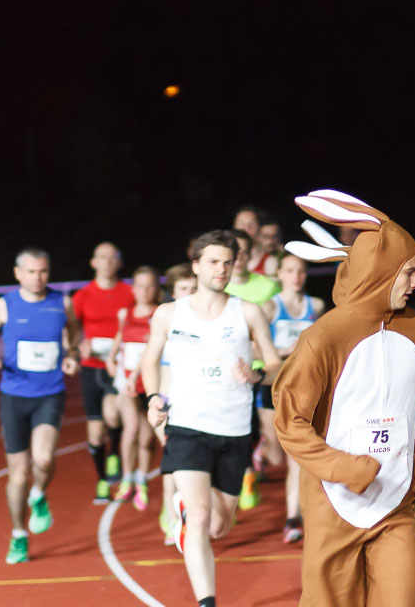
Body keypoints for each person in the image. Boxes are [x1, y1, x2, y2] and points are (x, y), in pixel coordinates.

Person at [273, 190, 415, 607]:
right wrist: (341, 467)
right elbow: (289, 422)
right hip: (335, 505)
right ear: (380, 271)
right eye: (408, 273)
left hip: (397, 504)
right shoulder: (325, 336)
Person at [141, 230, 281, 607]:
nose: (221, 269)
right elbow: (150, 359)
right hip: (187, 426)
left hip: (234, 429)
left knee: (219, 525)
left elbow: (273, 364)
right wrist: (154, 396)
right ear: (196, 266)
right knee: (201, 518)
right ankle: (207, 602)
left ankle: (188, 510)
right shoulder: (170, 313)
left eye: (228, 262)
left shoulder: (247, 312)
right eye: (214, 262)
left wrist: (254, 374)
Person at [0, 247, 80, 563]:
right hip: (14, 397)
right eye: (31, 272)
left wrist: (72, 356)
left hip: (50, 393)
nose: (37, 277)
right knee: (18, 473)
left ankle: (39, 495)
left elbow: (74, 333)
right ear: (18, 274)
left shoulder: (62, 302)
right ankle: (19, 535)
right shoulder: (5, 306)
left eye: (43, 271)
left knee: (43, 459)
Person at [258, 254, 326, 544]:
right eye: (290, 270)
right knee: (276, 455)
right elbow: (253, 349)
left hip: (305, 390)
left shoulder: (317, 306)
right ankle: (260, 449)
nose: (296, 276)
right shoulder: (270, 307)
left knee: (296, 458)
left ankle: (292, 518)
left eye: (300, 271)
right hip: (273, 388)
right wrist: (285, 350)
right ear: (280, 275)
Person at [72, 242, 135, 503]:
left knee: (114, 416)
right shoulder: (82, 295)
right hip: (92, 368)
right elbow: (73, 329)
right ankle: (101, 479)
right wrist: (78, 346)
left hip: (120, 367)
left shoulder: (130, 292)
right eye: (102, 257)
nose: (107, 262)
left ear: (119, 263)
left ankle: (116, 456)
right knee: (95, 432)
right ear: (93, 262)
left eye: (113, 257)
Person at [225, 228, 281, 509]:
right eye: (233, 251)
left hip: (264, 369)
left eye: (244, 251)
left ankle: (257, 454)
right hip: (233, 373)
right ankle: (244, 475)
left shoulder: (268, 288)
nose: (238, 257)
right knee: (240, 428)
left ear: (250, 254)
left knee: (276, 451)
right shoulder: (219, 289)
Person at [106, 266, 162, 511]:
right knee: (130, 428)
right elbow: (120, 336)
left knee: (147, 436)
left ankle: (142, 479)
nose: (144, 290)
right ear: (133, 288)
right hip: (126, 381)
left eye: (150, 285)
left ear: (156, 288)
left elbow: (151, 349)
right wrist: (110, 357)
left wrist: (137, 374)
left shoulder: (160, 314)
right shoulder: (125, 313)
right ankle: (127, 479)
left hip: (149, 381)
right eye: (140, 285)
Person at [157, 262, 198, 544]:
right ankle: (171, 515)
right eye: (183, 289)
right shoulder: (165, 320)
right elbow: (156, 362)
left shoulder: (209, 319)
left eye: (193, 289)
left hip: (201, 399)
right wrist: (158, 401)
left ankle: (192, 509)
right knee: (173, 460)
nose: (189, 294)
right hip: (170, 398)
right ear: (172, 292)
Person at [251, 211, 282, 276]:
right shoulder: (247, 257)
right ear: (257, 236)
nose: (270, 241)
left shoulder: (285, 258)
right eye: (265, 236)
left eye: (275, 236)